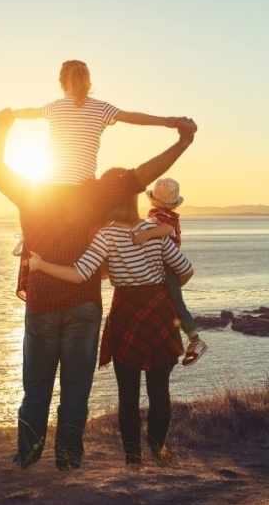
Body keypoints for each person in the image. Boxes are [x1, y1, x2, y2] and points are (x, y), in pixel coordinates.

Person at [0, 108, 196, 470]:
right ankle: (68, 458)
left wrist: (3, 129)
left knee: (36, 388)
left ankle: (28, 454)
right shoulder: (97, 194)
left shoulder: (30, 190)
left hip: (41, 304)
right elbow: (144, 175)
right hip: (84, 306)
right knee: (76, 391)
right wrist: (182, 141)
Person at [28, 189, 194, 466]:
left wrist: (41, 264)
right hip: (159, 313)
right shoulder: (156, 232)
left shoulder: (106, 235)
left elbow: (79, 274)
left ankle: (133, 457)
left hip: (126, 313)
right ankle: (157, 450)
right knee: (159, 390)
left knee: (127, 394)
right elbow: (186, 269)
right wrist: (163, 289)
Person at [11, 59, 193, 185]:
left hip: (49, 186)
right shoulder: (102, 108)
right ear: (88, 83)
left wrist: (11, 114)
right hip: (83, 187)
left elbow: (31, 112)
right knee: (132, 182)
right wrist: (169, 121)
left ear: (62, 83)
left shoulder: (54, 107)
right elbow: (132, 117)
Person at [132, 177, 208, 365]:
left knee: (176, 304)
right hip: (167, 265)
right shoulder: (163, 215)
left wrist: (147, 234)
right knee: (171, 302)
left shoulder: (162, 218)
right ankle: (190, 339)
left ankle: (195, 340)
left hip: (167, 265)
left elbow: (165, 230)